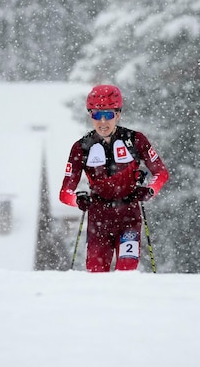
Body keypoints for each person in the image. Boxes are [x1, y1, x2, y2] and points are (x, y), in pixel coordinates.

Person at [59, 84, 169, 272]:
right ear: (90, 115)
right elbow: (64, 193)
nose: (102, 121)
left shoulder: (135, 140)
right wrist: (77, 199)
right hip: (98, 220)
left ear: (118, 115)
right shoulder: (81, 147)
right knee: (96, 274)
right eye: (96, 115)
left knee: (126, 271)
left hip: (129, 217)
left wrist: (150, 190)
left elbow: (161, 173)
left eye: (108, 115)